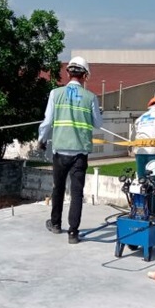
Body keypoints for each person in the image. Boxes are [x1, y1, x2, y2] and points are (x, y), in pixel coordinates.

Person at [37, 56, 103, 244]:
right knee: (76, 193)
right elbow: (98, 123)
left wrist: (41, 140)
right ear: (85, 76)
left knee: (58, 188)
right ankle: (73, 233)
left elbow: (47, 121)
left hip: (60, 151)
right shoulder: (91, 97)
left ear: (68, 73)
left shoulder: (55, 94)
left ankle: (55, 224)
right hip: (79, 153)